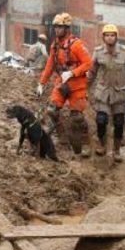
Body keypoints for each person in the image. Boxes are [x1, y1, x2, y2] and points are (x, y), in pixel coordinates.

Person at [37, 13, 93, 157]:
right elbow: (50, 65)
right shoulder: (55, 45)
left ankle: (86, 142)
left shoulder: (77, 45)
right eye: (56, 27)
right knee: (52, 110)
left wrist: (73, 73)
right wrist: (41, 83)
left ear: (67, 28)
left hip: (77, 84)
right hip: (61, 83)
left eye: (60, 27)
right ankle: (62, 136)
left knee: (77, 117)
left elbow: (88, 63)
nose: (57, 30)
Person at [87, 24, 125, 162]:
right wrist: (85, 87)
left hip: (119, 93)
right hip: (103, 92)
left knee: (118, 122)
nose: (110, 38)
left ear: (116, 37)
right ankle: (103, 145)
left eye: (112, 35)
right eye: (107, 35)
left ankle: (116, 150)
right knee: (101, 120)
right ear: (103, 37)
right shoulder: (98, 52)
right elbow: (92, 72)